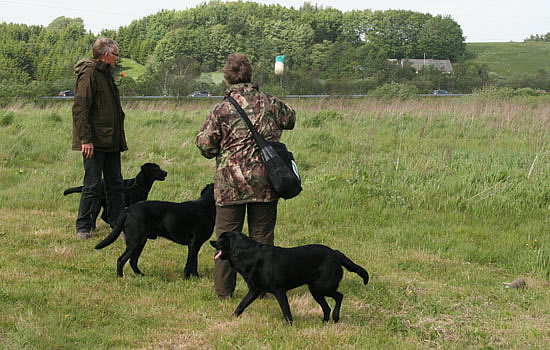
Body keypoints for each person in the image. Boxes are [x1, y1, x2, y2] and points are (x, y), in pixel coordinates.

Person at [196, 53, 296, 298]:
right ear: (250, 74)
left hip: (230, 184)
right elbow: (291, 119)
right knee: (262, 238)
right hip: (267, 181)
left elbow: (205, 146)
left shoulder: (221, 110)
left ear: (228, 77)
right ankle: (264, 289)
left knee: (225, 240)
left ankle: (223, 292)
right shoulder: (270, 102)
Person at [71, 38, 127, 239]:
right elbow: (80, 108)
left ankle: (117, 223)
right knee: (93, 184)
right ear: (106, 55)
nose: (117, 59)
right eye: (115, 54)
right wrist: (85, 139)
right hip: (94, 142)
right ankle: (83, 226)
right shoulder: (90, 74)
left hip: (111, 140)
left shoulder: (106, 75)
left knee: (116, 184)